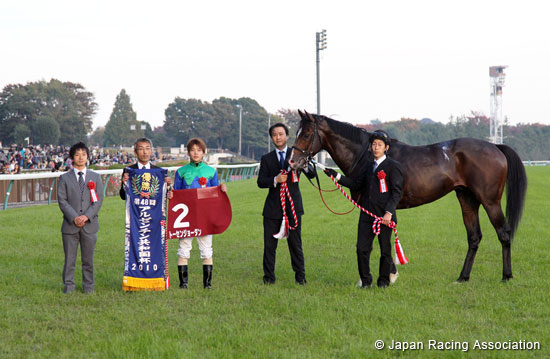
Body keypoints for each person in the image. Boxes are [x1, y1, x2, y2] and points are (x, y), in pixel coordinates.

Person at [325, 130, 403, 288]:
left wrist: (388, 213)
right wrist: (336, 176)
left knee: (385, 251)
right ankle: (366, 280)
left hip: (384, 217)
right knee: (361, 249)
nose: (376, 147)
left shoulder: (393, 167)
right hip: (367, 215)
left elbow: (396, 193)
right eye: (374, 144)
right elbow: (356, 184)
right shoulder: (368, 166)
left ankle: (383, 282)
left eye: (379, 145)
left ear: (386, 147)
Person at [257, 123, 315, 285]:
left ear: (287, 136)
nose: (278, 137)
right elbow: (261, 182)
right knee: (269, 246)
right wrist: (275, 180)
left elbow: (312, 174)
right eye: (275, 134)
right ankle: (269, 278)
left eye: (281, 134)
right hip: (272, 209)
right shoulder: (266, 158)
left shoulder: (296, 153)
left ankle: (300, 277)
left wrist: (303, 165)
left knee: (295, 244)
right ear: (271, 138)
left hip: (293, 207)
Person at [173, 138, 227, 289]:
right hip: (185, 217)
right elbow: (176, 194)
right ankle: (183, 284)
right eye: (192, 150)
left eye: (199, 150)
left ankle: (207, 285)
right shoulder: (181, 172)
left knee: (206, 249)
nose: (195, 153)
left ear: (204, 152)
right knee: (184, 248)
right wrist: (171, 195)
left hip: (205, 216)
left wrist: (221, 189)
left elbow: (215, 195)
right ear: (188, 152)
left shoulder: (211, 171)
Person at [57, 142, 104, 294]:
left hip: (90, 225)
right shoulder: (64, 178)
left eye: (83, 154)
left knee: (88, 259)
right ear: (72, 158)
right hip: (70, 226)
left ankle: (88, 287)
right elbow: (62, 201)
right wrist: (75, 217)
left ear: (88, 157)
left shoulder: (95, 177)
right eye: (77, 155)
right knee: (70, 259)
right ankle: (69, 286)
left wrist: (86, 216)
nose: (81, 157)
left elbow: (98, 201)